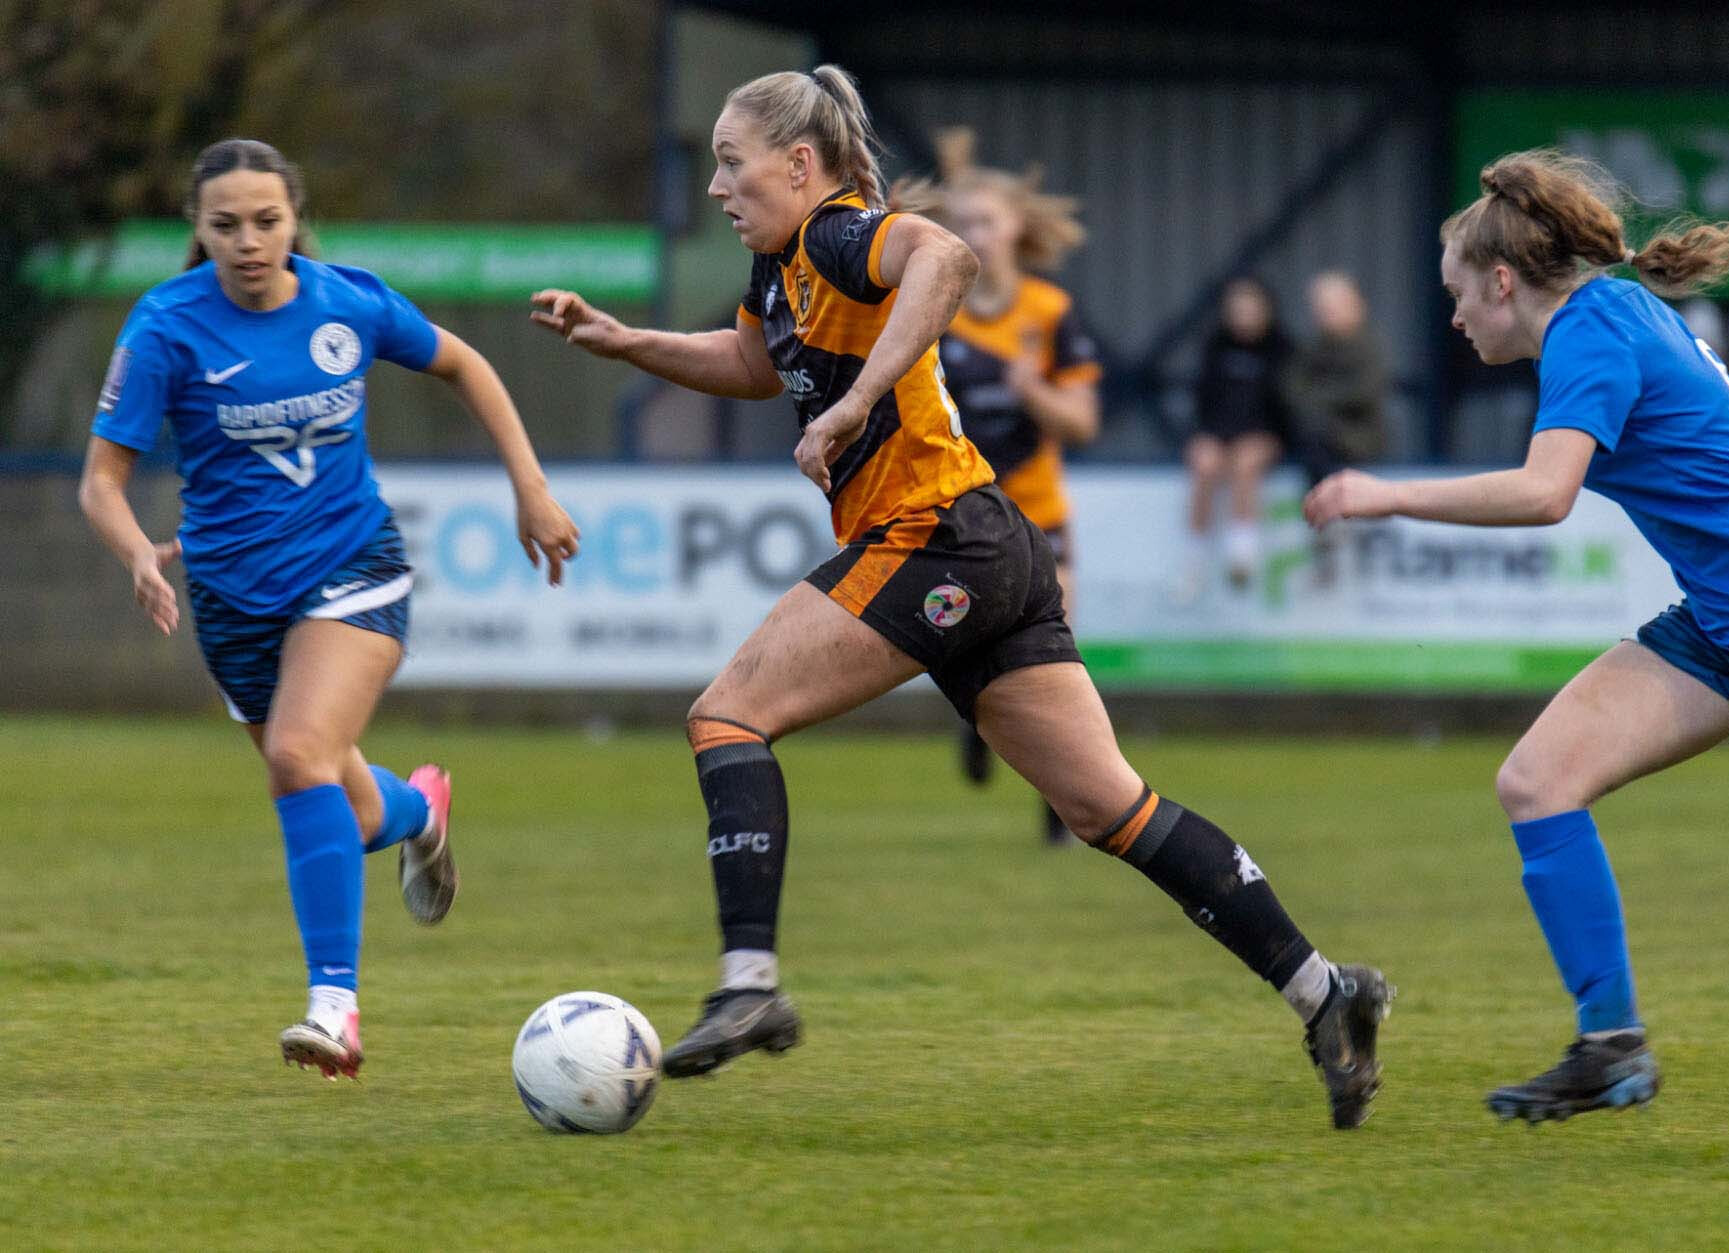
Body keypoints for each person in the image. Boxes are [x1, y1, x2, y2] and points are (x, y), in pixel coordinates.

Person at [530, 65, 1393, 1129]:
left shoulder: (843, 231)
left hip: (937, 539)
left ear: (799, 166)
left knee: (726, 714)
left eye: (727, 159)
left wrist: (853, 405)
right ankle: (1325, 992)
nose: (715, 185)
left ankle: (748, 984)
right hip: (993, 545)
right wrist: (623, 341)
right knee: (1107, 808)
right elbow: (753, 362)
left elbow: (946, 255)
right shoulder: (782, 264)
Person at [1306, 147, 1729, 1124]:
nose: (1454, 316)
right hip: (1727, 618)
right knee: (1537, 779)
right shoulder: (1612, 311)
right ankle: (1610, 1047)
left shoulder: (1591, 331)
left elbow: (1544, 494)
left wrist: (1386, 493)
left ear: (1503, 280)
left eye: (1458, 293)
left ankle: (1609, 1044)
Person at [79, 139, 578, 1080]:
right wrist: (137, 550)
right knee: (336, 799)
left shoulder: (346, 300)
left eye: (266, 221)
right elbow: (101, 482)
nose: (248, 241)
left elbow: (466, 364)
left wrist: (531, 487)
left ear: (293, 220)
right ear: (199, 229)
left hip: (355, 569)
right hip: (232, 604)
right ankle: (416, 807)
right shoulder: (164, 329)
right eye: (225, 224)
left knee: (296, 757)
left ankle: (335, 1009)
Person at [892, 128, 1100, 845]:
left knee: (1056, 645)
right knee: (956, 641)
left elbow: (1081, 422)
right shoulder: (935, 310)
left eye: (986, 220)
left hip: (1038, 509)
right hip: (957, 513)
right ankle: (977, 719)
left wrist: (1033, 391)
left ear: (1014, 227)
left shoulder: (1047, 313)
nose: (975, 233)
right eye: (963, 223)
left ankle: (1061, 803)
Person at [1185, 276, 1291, 593]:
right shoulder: (1215, 347)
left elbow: (1288, 407)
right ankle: (1194, 559)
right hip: (1219, 434)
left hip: (1263, 435)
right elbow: (1203, 401)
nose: (1242, 316)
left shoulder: (1282, 349)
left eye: (1249, 309)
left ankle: (1241, 554)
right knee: (1204, 463)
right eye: (1236, 309)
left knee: (1245, 463)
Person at [1283, 271, 1390, 584]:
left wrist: (1320, 401)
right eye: (1320, 307)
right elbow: (1291, 388)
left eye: (1332, 305)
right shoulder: (1312, 348)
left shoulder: (1369, 346)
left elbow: (1363, 392)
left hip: (1358, 442)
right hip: (1320, 442)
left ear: (1354, 303)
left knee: (1320, 440)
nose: (1325, 314)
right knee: (1314, 441)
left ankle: (1334, 524)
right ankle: (1327, 526)